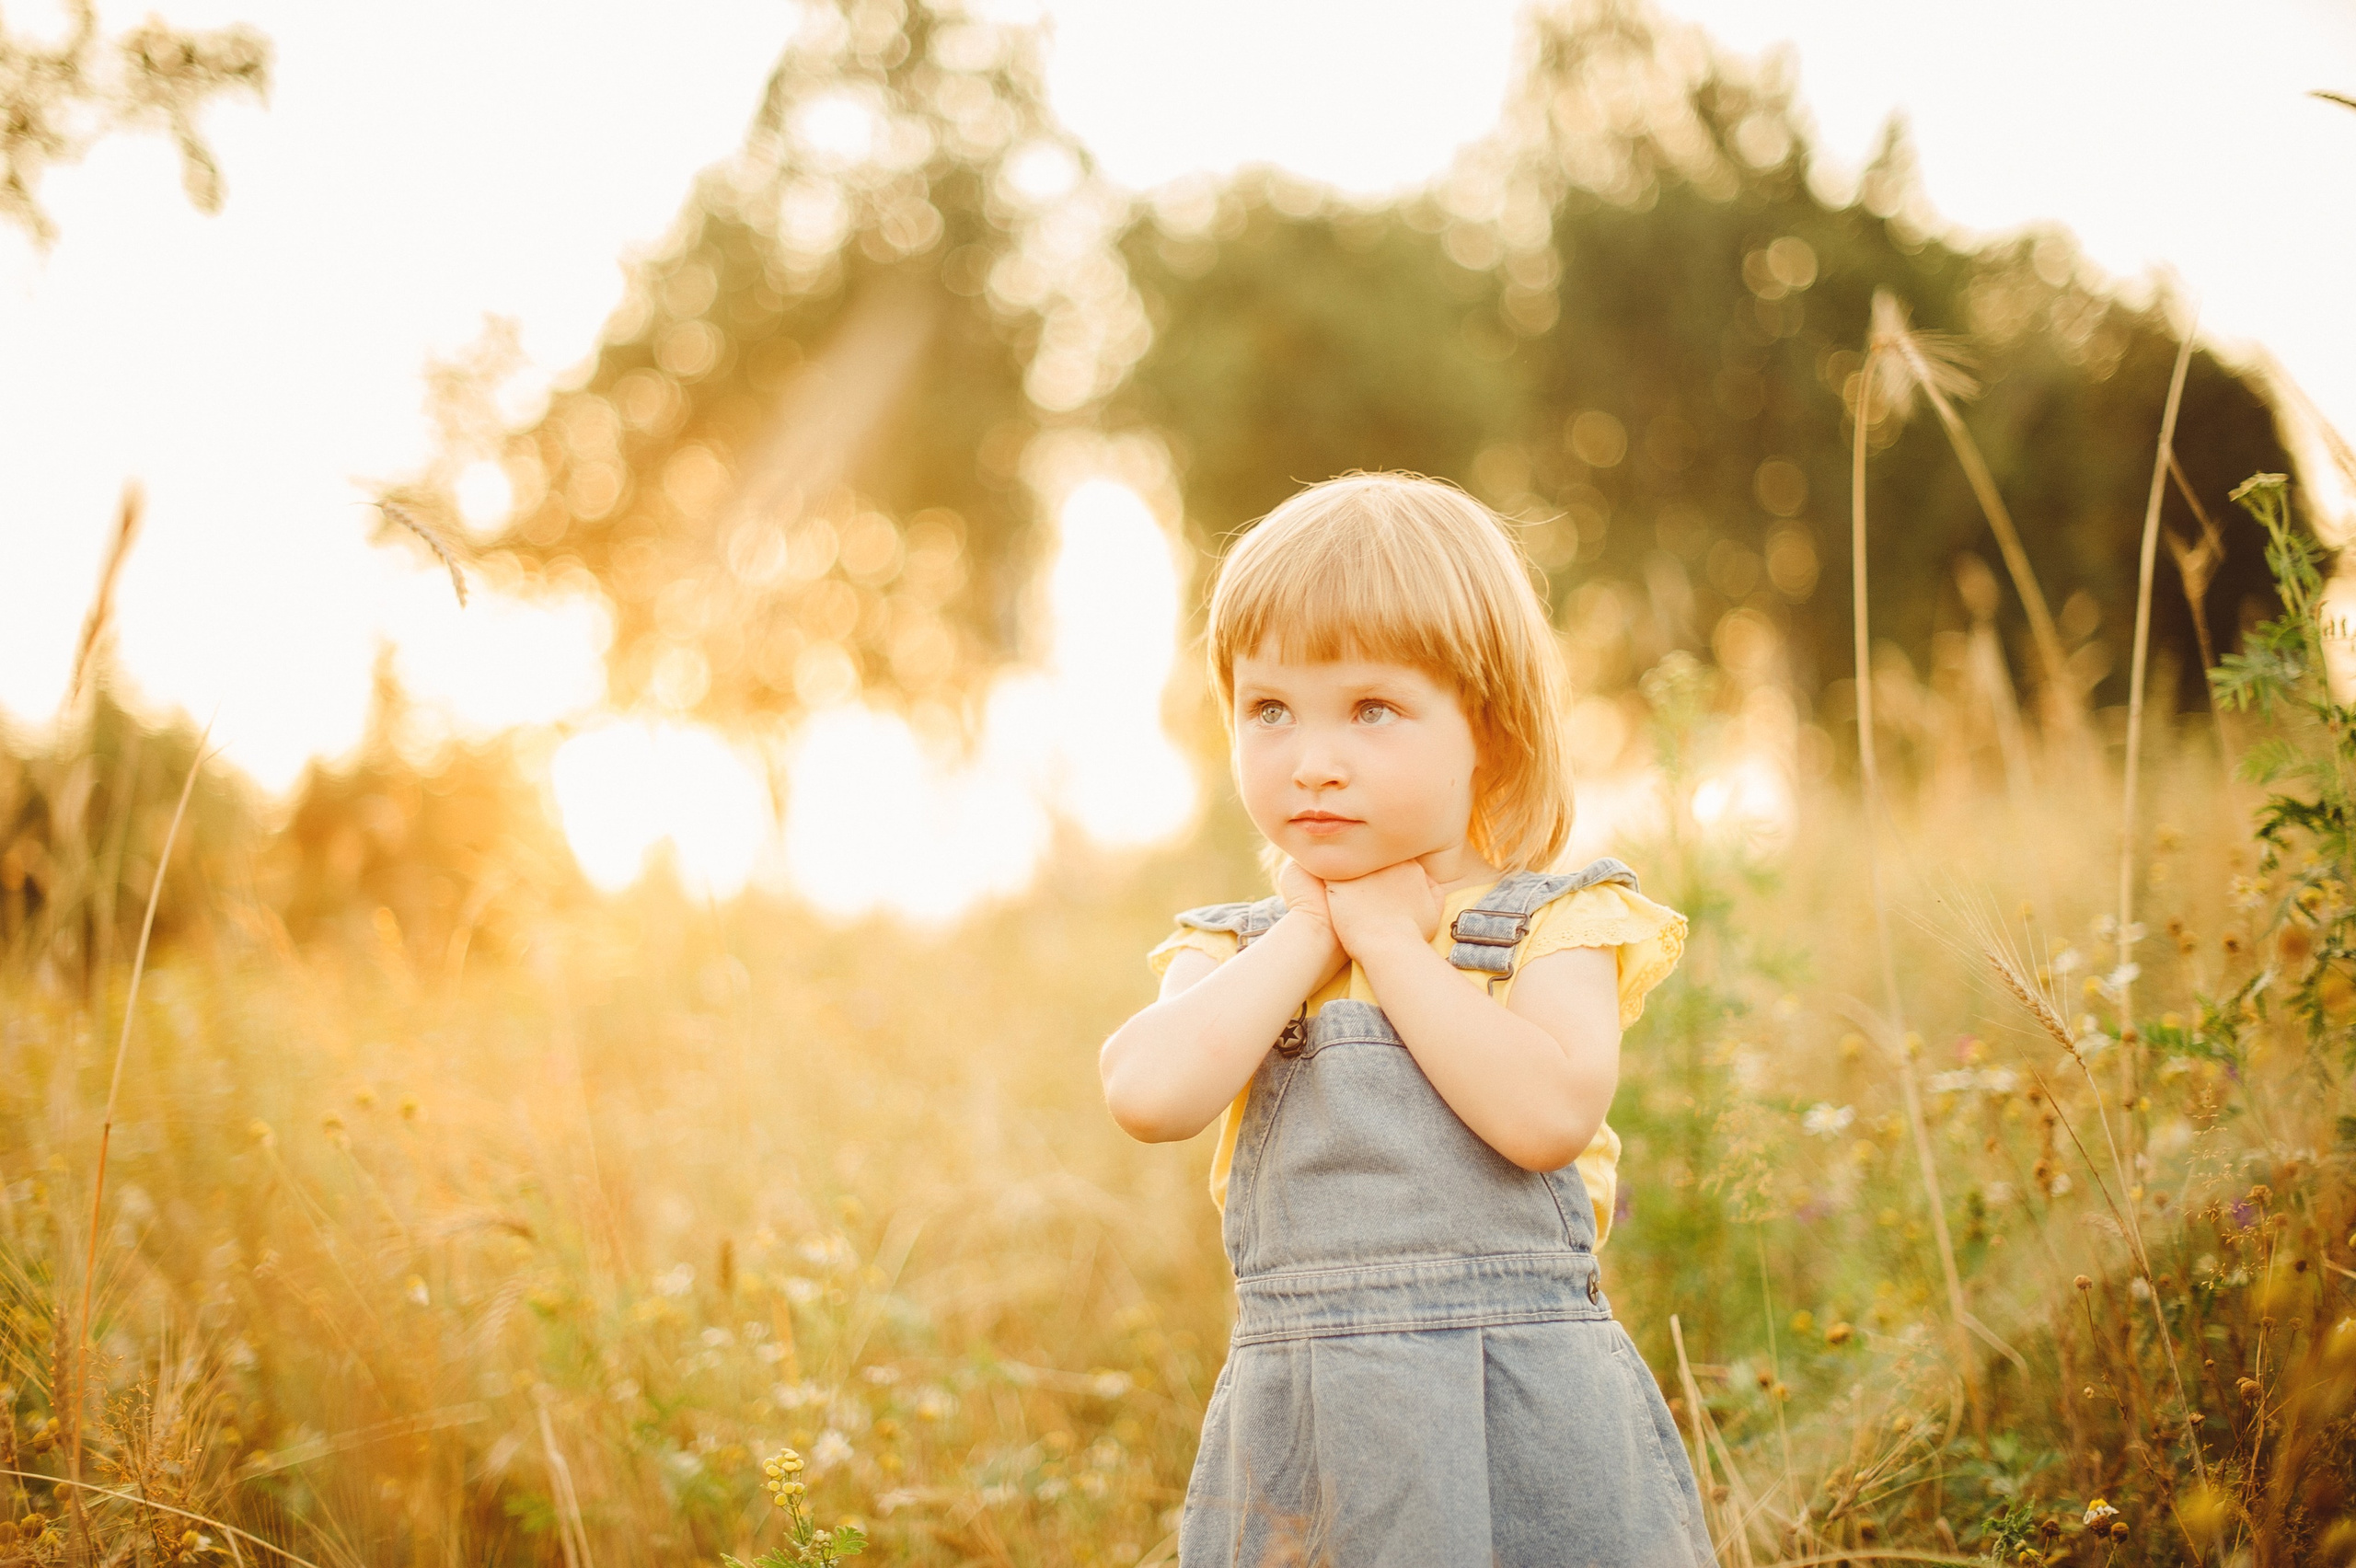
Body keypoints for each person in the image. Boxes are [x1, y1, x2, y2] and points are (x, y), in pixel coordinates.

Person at [1098, 473, 1715, 1567]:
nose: (1312, 758)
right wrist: (1311, 936)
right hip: (1311, 1440)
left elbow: (1546, 1118)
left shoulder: (1550, 925)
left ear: (1490, 729)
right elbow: (1147, 1094)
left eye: (1372, 709)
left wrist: (1390, 943)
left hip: (1521, 1412)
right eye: (1269, 709)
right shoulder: (1236, 949)